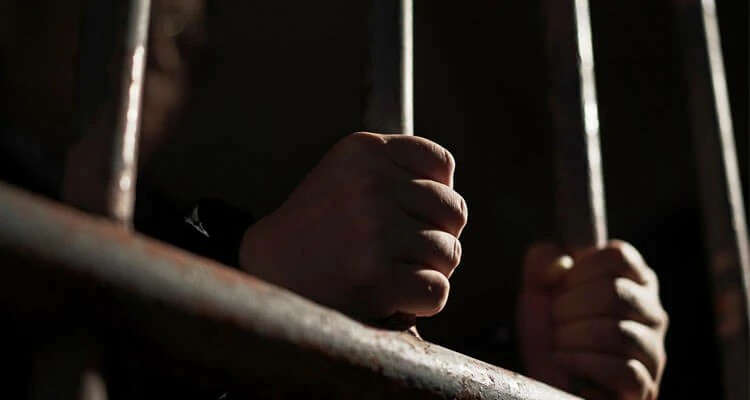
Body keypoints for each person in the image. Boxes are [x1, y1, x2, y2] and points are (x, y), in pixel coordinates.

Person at [0, 1, 668, 399]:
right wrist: (257, 282)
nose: (167, 49)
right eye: (149, 14)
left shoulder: (166, 225)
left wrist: (531, 372)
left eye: (188, 39)